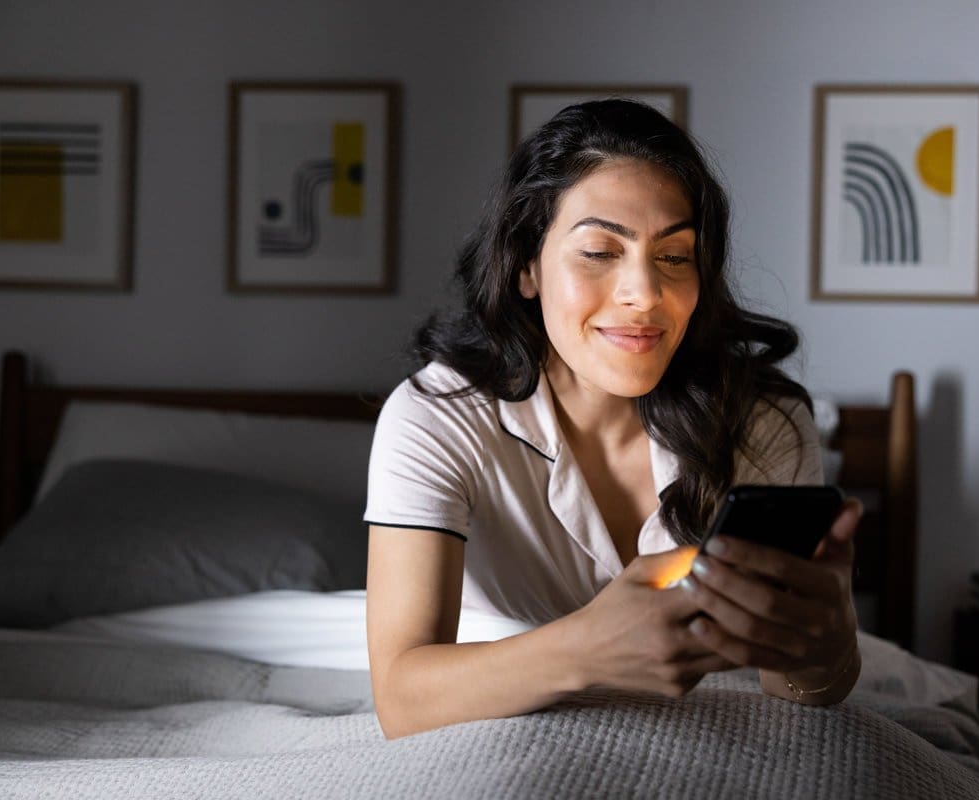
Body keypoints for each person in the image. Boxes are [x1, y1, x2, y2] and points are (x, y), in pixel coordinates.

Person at [363, 99, 862, 740]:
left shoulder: (764, 424)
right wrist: (587, 648)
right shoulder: (438, 420)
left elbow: (794, 694)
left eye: (675, 257)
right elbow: (401, 700)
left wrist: (821, 646)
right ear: (526, 266)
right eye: (600, 251)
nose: (645, 294)